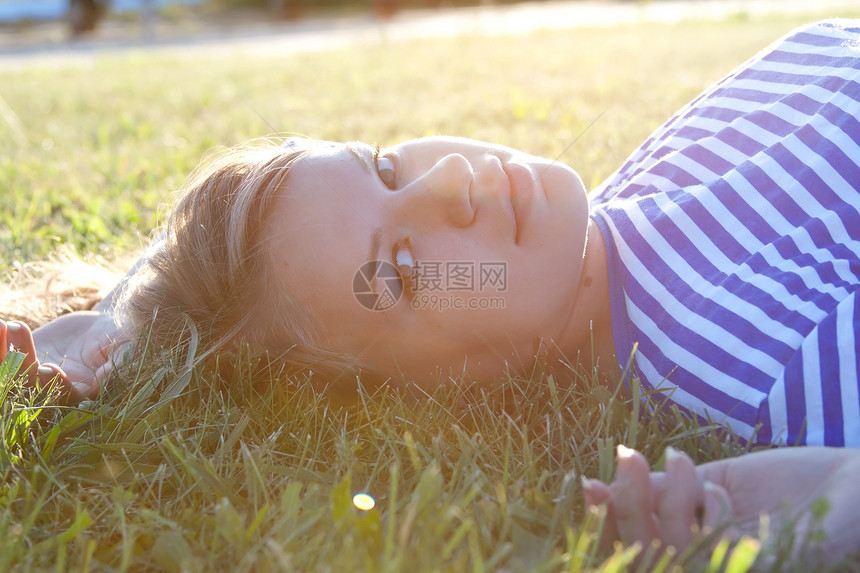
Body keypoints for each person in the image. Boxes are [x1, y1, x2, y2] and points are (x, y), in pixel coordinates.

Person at [1, 18, 859, 562]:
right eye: (403, 268)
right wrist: (780, 516)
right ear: (442, 392)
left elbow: (218, 279)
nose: (449, 176)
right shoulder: (770, 355)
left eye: (380, 165)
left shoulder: (619, 207)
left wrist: (105, 324)